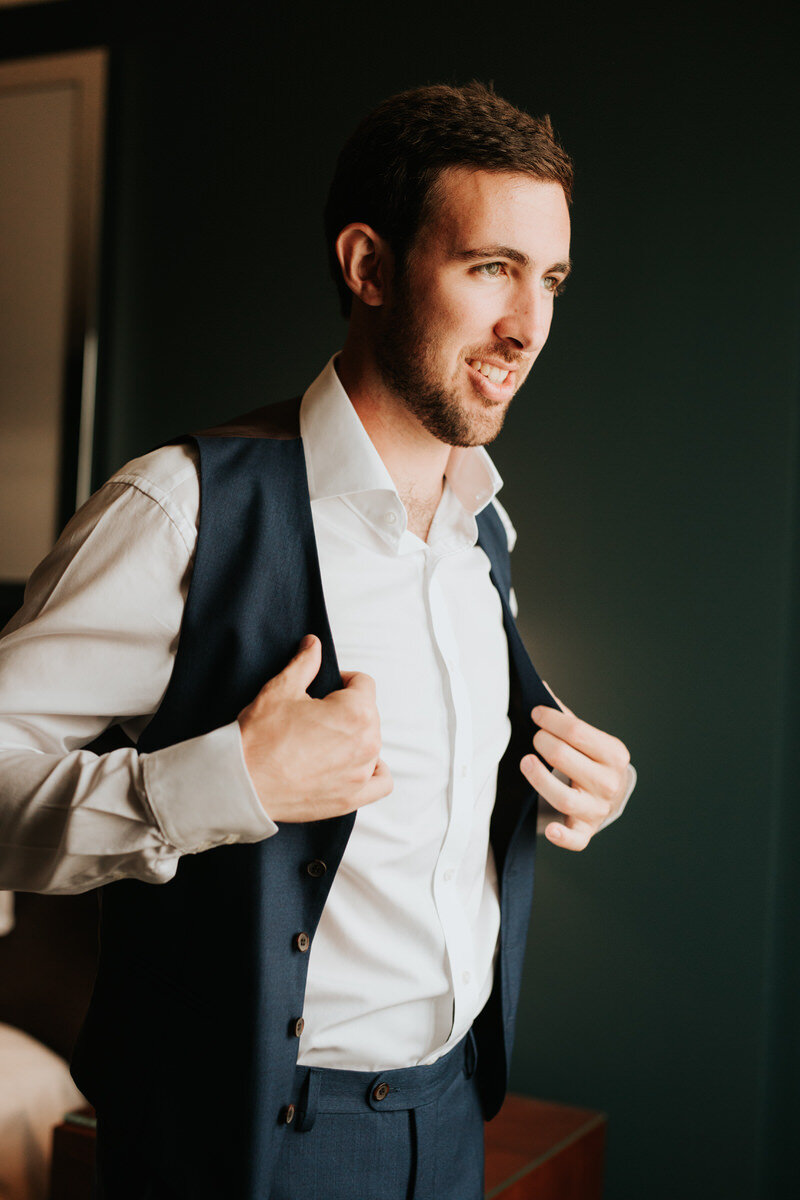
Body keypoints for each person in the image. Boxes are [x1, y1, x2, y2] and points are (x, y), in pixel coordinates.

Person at [0, 80, 635, 1199]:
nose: (526, 326)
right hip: (246, 1143)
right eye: (489, 268)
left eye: (549, 281)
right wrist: (222, 782)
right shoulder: (177, 510)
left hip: (447, 1123)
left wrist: (563, 785)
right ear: (369, 266)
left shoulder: (483, 527)